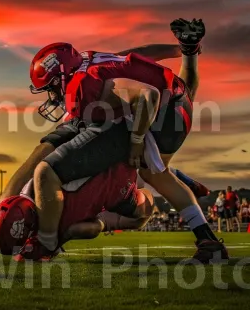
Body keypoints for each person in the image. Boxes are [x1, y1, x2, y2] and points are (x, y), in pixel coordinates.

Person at [22, 18, 227, 262]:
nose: (52, 96)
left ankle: (209, 242)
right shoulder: (93, 60)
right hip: (175, 98)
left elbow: (147, 96)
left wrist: (137, 140)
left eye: (51, 88)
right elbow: (138, 55)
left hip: (162, 110)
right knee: (156, 169)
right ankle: (190, 53)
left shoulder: (84, 82)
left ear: (61, 76)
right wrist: (182, 50)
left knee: (155, 173)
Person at [0, 162, 153, 260]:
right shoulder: (30, 190)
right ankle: (46, 245)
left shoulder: (34, 189)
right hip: (115, 176)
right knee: (142, 212)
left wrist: (101, 223)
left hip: (114, 184)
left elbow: (87, 228)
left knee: (141, 214)